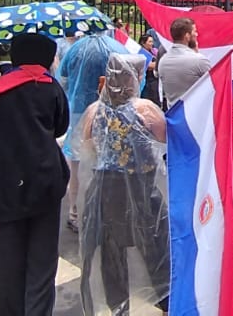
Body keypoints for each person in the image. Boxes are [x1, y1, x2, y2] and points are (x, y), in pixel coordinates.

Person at [0, 33, 69, 315]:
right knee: (42, 261)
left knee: (7, 259)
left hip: (5, 186)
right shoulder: (50, 87)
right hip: (45, 183)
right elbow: (61, 126)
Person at [77, 53, 170, 315]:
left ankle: (118, 307)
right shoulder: (145, 109)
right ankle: (167, 302)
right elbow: (164, 138)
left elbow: (88, 149)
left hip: (105, 191)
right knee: (156, 247)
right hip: (141, 188)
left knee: (112, 253)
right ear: (133, 78)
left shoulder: (94, 111)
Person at [60, 33, 129, 233]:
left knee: (77, 164)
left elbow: (62, 80)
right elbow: (132, 78)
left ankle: (76, 213)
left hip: (78, 112)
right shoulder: (115, 48)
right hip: (111, 112)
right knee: (107, 163)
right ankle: (106, 212)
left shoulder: (75, 49)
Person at [158, 17, 208, 107]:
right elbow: (213, 87)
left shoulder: (163, 61)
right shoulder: (199, 60)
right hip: (195, 115)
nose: (196, 34)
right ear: (187, 36)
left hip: (174, 113)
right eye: (194, 31)